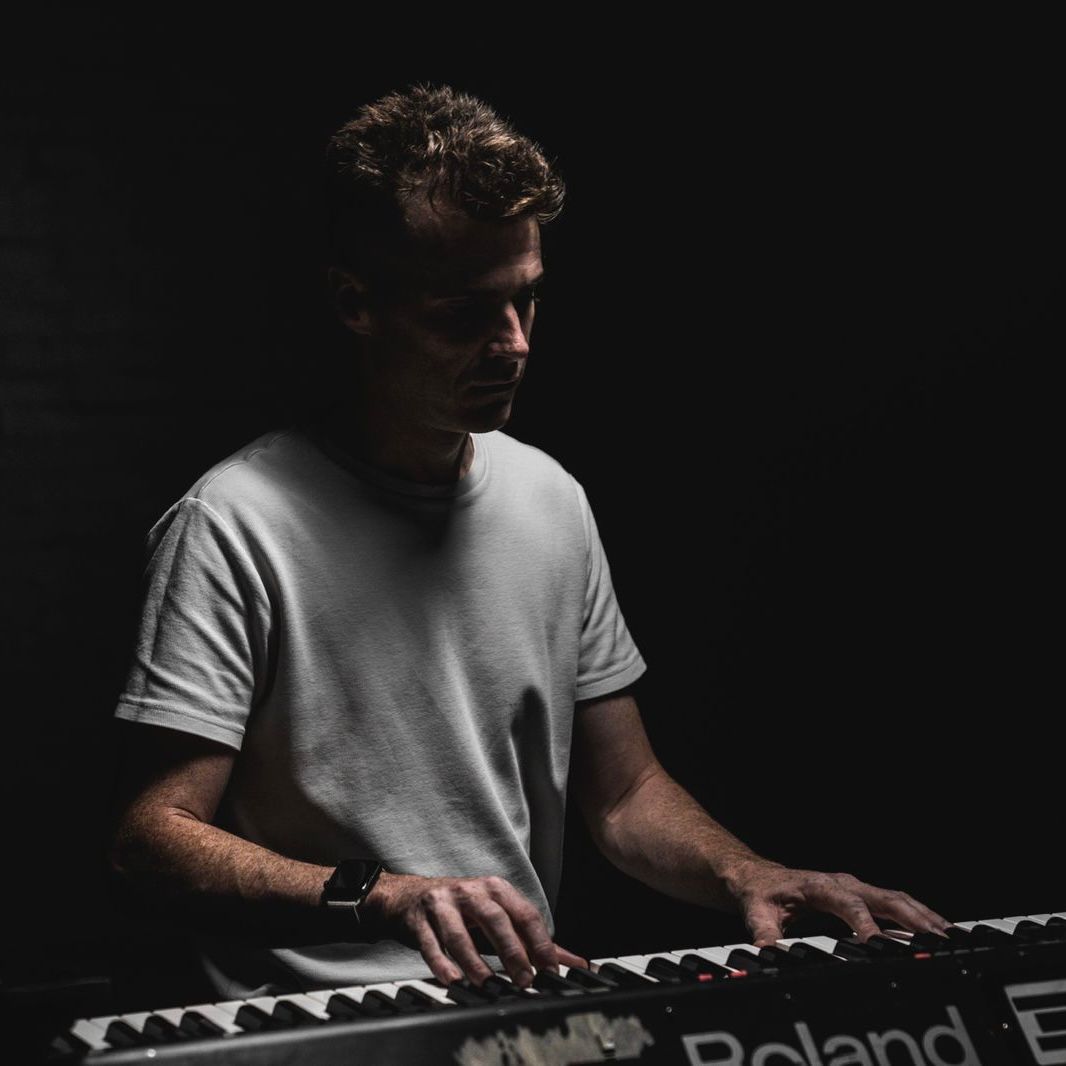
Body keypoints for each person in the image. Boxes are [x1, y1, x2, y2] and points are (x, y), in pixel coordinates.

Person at [108, 83, 950, 1001]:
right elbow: (152, 838)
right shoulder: (231, 525)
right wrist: (382, 896)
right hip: (314, 1020)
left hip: (514, 1007)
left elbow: (623, 796)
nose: (513, 345)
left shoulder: (551, 500)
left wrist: (746, 871)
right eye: (464, 313)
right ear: (356, 302)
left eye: (528, 300)